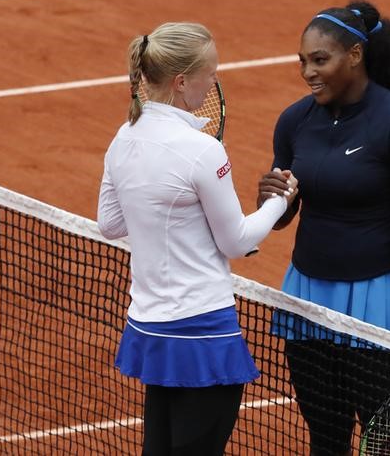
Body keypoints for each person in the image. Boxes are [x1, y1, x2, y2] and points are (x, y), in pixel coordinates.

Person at [97, 22, 298, 456]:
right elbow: (238, 243)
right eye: (211, 73)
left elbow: (110, 224)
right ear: (182, 81)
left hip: (151, 328)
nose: (215, 81)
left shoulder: (123, 138)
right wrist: (280, 201)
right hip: (203, 334)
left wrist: (169, 217)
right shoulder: (202, 151)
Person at [257, 0, 390, 455]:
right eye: (303, 61)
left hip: (377, 303)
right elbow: (283, 219)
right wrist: (271, 201)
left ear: (355, 56)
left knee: (386, 443)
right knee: (325, 435)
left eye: (320, 60)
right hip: (309, 299)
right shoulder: (295, 121)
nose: (307, 72)